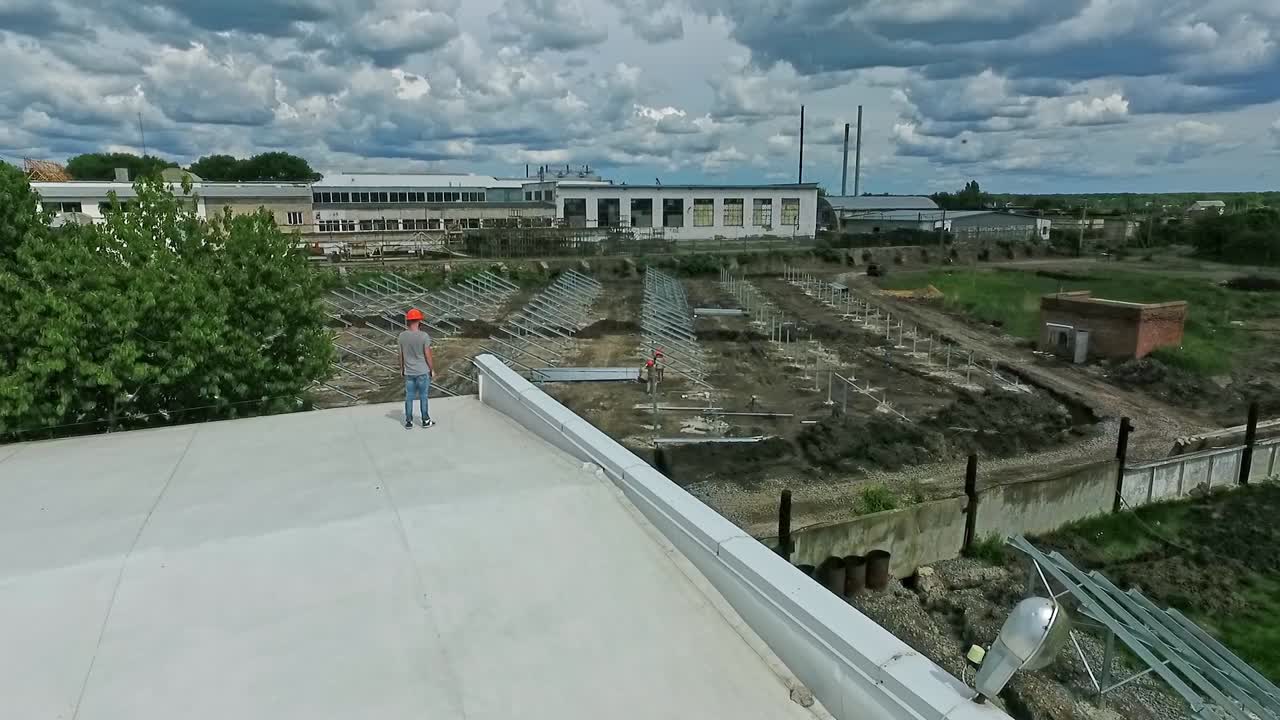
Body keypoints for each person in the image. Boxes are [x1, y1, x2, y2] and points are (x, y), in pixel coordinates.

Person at [399, 308, 436, 429]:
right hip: (422, 371)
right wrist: (431, 369)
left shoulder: (402, 336)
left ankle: (408, 421)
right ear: (419, 321)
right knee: (423, 396)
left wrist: (402, 369)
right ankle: (425, 420)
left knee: (409, 396)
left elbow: (401, 355)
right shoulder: (424, 336)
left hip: (409, 372)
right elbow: (427, 355)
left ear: (408, 321)